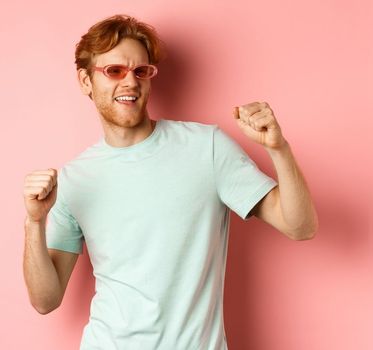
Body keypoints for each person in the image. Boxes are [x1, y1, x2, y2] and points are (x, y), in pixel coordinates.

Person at [22, 14, 318, 349]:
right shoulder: (74, 179)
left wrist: (278, 149)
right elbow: (45, 300)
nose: (130, 82)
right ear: (86, 80)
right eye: (114, 71)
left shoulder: (206, 147)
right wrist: (35, 221)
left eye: (140, 71)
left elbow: (300, 226)